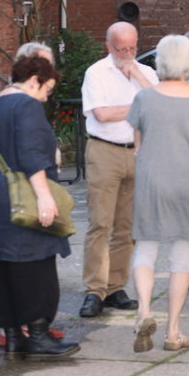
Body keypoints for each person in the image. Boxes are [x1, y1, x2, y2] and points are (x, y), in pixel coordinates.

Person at [0, 55, 79, 359]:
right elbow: (30, 154)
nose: (46, 97)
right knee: (35, 266)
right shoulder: (26, 105)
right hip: (21, 197)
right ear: (34, 80)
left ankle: (14, 335)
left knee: (3, 268)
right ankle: (40, 336)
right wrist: (44, 196)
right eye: (47, 90)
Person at [127, 35, 189, 353]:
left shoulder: (145, 99)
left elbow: (137, 143)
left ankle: (144, 311)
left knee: (146, 250)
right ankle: (173, 331)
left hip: (153, 178)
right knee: (181, 257)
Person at [79, 22, 156, 318]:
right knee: (101, 223)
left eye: (132, 48)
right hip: (105, 150)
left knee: (127, 227)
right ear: (108, 46)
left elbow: (159, 105)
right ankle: (94, 289)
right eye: (121, 48)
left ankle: (115, 286)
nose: (126, 53)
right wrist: (139, 103)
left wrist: (137, 76)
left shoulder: (146, 73)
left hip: (137, 151)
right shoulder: (96, 73)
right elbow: (102, 114)